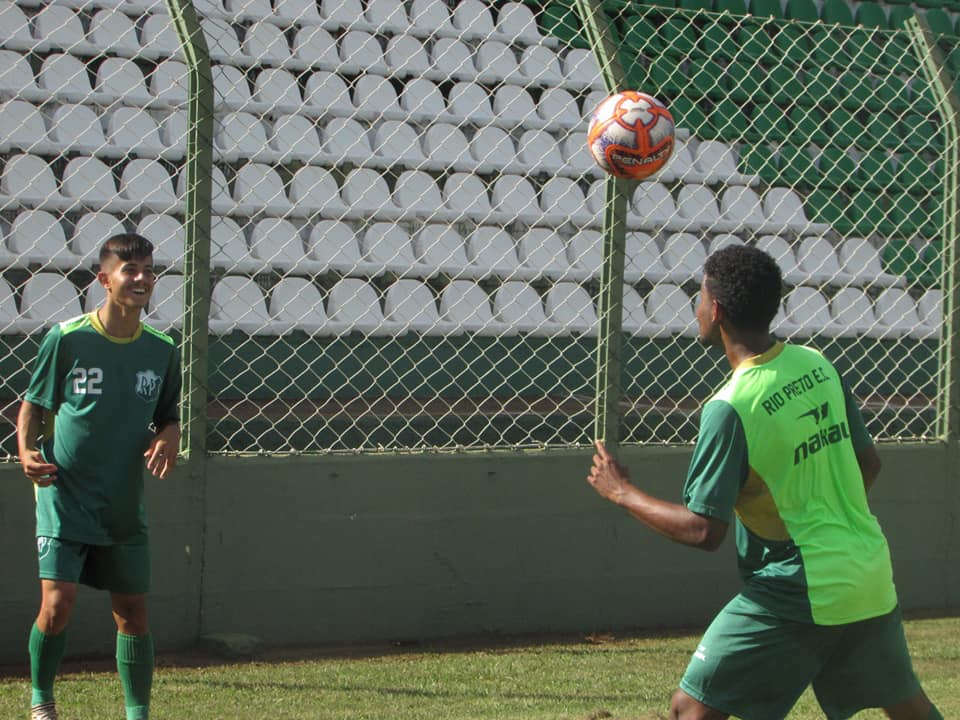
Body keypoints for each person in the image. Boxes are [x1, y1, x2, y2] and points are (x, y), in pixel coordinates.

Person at [587, 245, 942, 720]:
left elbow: (702, 530)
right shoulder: (817, 364)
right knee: (910, 710)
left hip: (799, 586)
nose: (696, 307)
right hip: (867, 569)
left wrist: (620, 492)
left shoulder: (731, 407)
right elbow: (868, 464)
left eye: (699, 296)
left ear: (715, 310)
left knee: (689, 710)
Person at [18, 233, 181, 720]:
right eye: (130, 270)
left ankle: (137, 714)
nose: (142, 279)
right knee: (58, 603)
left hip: (121, 501)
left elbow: (168, 414)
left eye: (149, 270)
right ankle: (42, 702)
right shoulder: (67, 338)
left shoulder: (161, 348)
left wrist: (170, 436)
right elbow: (34, 403)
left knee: (132, 612)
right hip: (63, 492)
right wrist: (25, 450)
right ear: (103, 279)